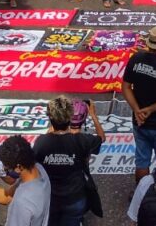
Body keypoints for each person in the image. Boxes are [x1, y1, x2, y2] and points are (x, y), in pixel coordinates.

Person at [33, 96, 105, 226]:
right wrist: (93, 115)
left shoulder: (41, 142)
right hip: (75, 199)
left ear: (50, 119)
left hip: (51, 200)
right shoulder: (82, 140)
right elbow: (101, 138)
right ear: (69, 118)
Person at [121, 26, 156, 183]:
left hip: (139, 121)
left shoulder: (135, 58)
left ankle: (141, 193)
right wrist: (150, 109)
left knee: (142, 161)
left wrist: (137, 110)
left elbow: (125, 87)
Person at [0, 136, 51, 226]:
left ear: (19, 167)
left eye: (7, 169)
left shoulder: (22, 201)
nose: (6, 172)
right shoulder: (40, 170)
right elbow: (7, 196)